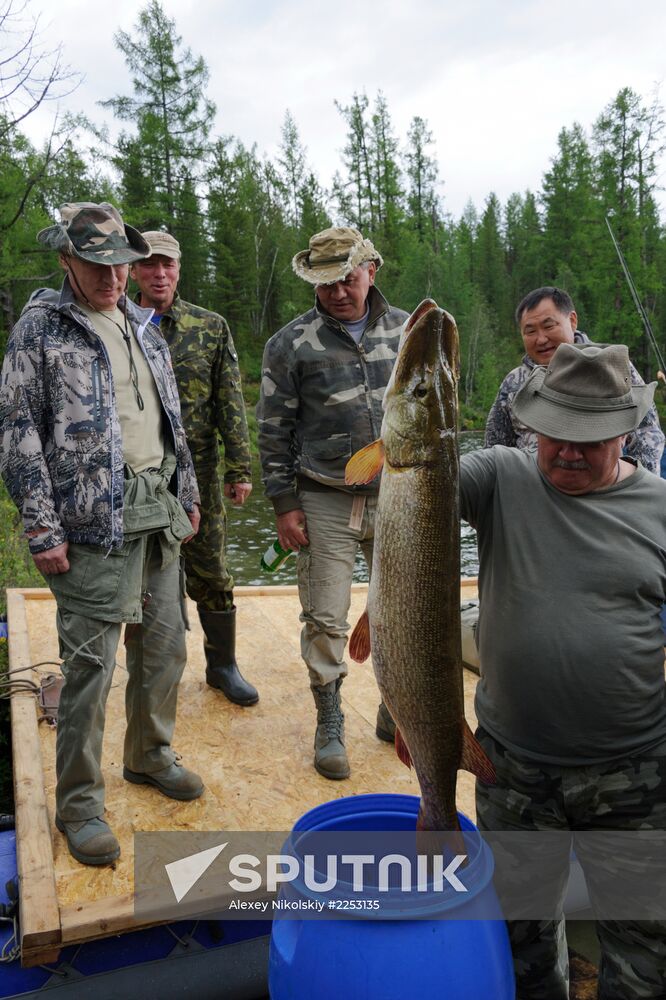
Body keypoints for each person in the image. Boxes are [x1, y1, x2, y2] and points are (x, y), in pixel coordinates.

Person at [461, 342, 666, 999]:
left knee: (645, 958)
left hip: (636, 776)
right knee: (518, 947)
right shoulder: (499, 476)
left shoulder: (661, 508)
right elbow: (403, 486)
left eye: (592, 439)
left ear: (627, 433)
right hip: (513, 772)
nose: (569, 452)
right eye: (557, 437)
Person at [0, 203, 203, 866]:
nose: (113, 275)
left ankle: (148, 754)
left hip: (156, 513)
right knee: (90, 670)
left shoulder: (141, 323)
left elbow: (170, 418)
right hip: (87, 527)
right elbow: (18, 432)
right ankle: (79, 805)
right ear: (67, 260)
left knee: (166, 649)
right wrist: (40, 525)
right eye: (96, 263)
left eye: (121, 262)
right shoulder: (41, 329)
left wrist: (189, 493)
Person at [256, 227, 408, 779]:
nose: (338, 292)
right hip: (322, 494)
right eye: (325, 284)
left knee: (399, 614)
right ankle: (330, 719)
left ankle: (396, 710)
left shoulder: (408, 330)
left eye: (347, 278)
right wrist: (283, 504)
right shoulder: (290, 344)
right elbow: (273, 430)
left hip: (399, 497)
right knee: (326, 616)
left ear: (371, 271)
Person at [130, 232, 257, 706]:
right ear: (135, 270)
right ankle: (154, 674)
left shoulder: (209, 326)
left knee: (211, 571)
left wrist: (240, 468)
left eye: (167, 265)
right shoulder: (120, 323)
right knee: (143, 576)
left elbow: (230, 401)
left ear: (179, 269)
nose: (158, 274)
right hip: (137, 477)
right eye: (149, 265)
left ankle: (222, 665)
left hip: (199, 473)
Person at [485, 285, 664, 472]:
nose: (541, 339)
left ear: (572, 321)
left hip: (601, 488)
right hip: (533, 491)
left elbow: (647, 434)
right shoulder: (514, 383)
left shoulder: (611, 367)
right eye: (530, 331)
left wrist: (630, 487)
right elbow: (494, 447)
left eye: (548, 326)